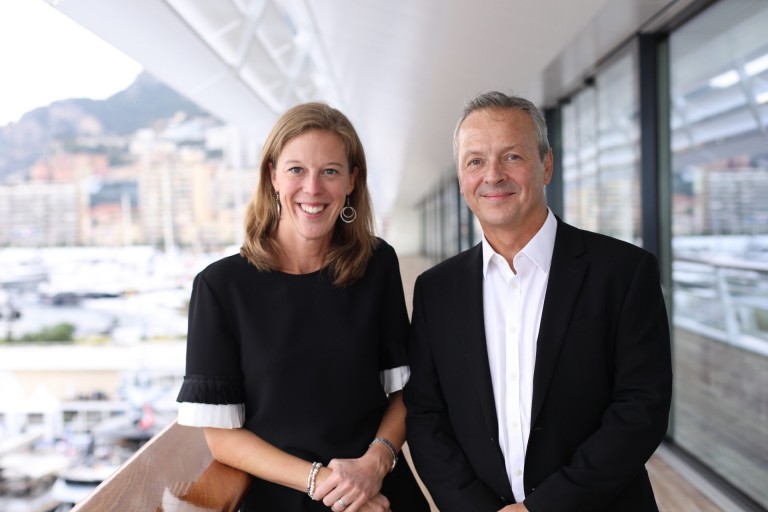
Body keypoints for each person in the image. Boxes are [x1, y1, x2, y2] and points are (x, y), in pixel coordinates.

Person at [403, 91, 673, 512]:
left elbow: (642, 408)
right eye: (475, 161)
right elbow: (425, 414)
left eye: (512, 156)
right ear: (461, 179)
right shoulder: (435, 290)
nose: (492, 175)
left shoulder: (622, 272)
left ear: (546, 165)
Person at [176, 102, 430, 512]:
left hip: (379, 489)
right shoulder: (220, 287)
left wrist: (375, 463)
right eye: (296, 170)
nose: (313, 188)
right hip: (286, 497)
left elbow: (405, 388)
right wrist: (331, 484)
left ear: (352, 180)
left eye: (330, 171)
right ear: (272, 176)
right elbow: (221, 437)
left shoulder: (377, 264)